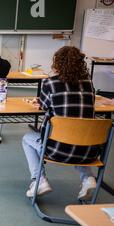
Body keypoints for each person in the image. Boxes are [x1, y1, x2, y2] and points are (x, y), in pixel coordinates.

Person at [22, 46, 98, 201]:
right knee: (77, 135)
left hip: (58, 150)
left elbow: (43, 106)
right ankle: (88, 178)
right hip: (89, 151)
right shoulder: (88, 83)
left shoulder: (50, 83)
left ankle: (39, 180)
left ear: (57, 63)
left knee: (27, 139)